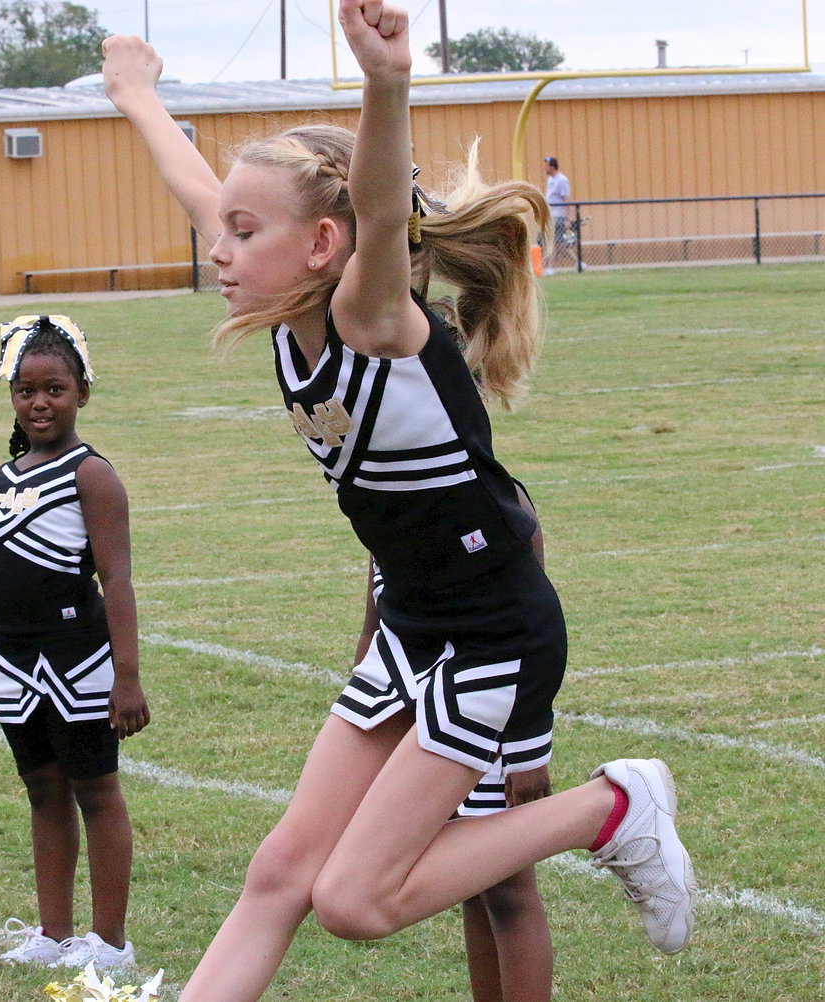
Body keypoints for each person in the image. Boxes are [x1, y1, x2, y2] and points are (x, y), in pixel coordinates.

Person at [101, 3, 695, 1000]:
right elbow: (197, 185)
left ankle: (612, 804)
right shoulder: (287, 303)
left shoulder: (369, 318)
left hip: (490, 635)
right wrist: (135, 94)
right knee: (279, 876)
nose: (218, 244)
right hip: (414, 629)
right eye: (223, 229)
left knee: (355, 902)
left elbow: (381, 211)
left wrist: (386, 83)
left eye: (244, 232)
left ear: (324, 243)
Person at [0, 314, 150, 972]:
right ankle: (53, 933)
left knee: (96, 790)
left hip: (77, 660)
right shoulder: (1, 481)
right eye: (26, 390)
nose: (40, 403)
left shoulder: (91, 475)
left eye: (55, 389)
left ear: (82, 393)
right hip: (13, 663)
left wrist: (126, 676)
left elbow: (116, 578)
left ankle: (111, 943)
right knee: (42, 793)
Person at [354, 480, 554, 1002]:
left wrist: (526, 748)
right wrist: (369, 727)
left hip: (483, 718)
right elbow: (377, 622)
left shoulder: (494, 497)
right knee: (468, 885)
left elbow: (533, 622)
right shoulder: (379, 497)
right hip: (421, 724)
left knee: (509, 889)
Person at [542, 156, 574, 272]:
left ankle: (550, 267)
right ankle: (577, 262)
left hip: (559, 215)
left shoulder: (562, 180)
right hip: (551, 215)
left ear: (552, 167)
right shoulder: (551, 180)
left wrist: (568, 218)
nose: (545, 168)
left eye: (547, 166)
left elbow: (566, 198)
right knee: (558, 243)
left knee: (555, 242)